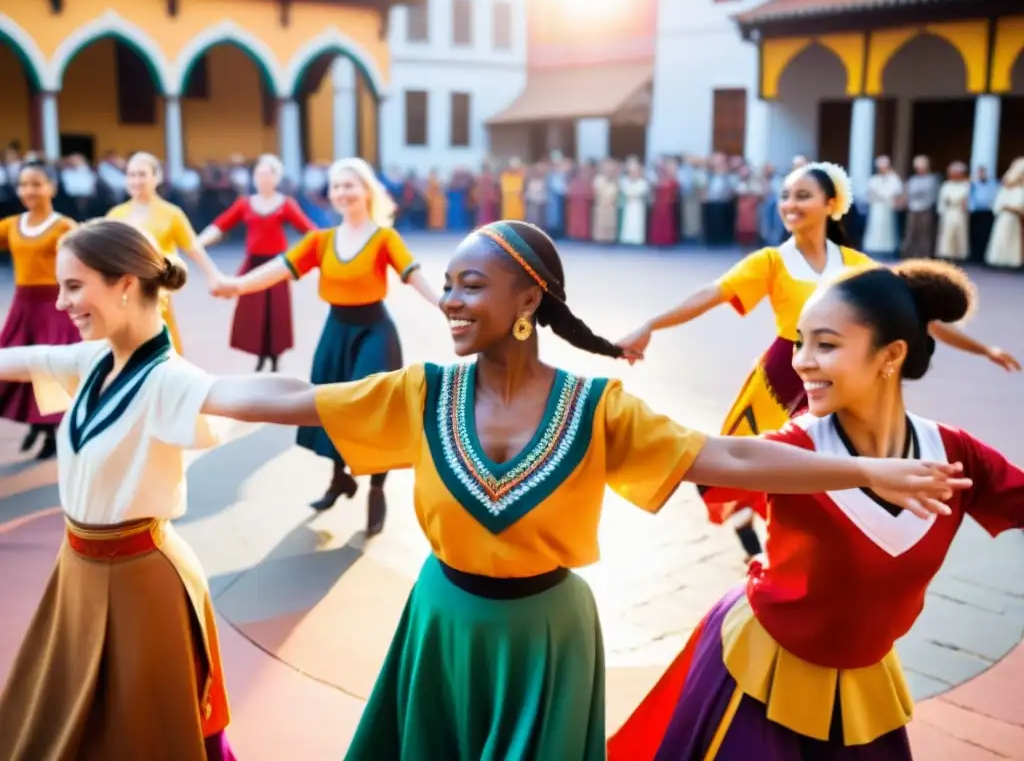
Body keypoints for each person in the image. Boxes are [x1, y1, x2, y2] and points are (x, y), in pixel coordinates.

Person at [199, 220, 965, 760]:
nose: (451, 301)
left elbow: (726, 457)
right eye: (450, 285)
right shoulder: (420, 392)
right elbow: (297, 398)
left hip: (548, 634)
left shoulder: (598, 409)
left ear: (528, 300)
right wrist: (182, 389)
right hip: (441, 620)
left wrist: (864, 470)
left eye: (472, 285)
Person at [608, 259, 1022, 760]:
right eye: (800, 341)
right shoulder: (798, 442)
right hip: (758, 674)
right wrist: (867, 473)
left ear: (890, 355)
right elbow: (729, 456)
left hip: (862, 691)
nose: (801, 360)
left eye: (825, 344)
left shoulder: (952, 453)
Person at [617, 162, 1020, 562]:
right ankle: (761, 545)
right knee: (753, 466)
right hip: (779, 378)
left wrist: (984, 350)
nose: (790, 204)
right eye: (786, 196)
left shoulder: (858, 268)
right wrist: (652, 324)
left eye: (803, 195)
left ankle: (819, 550)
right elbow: (711, 294)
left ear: (831, 204)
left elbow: (916, 312)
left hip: (840, 382)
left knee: (826, 471)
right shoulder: (771, 262)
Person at [0, 219, 258, 760]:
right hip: (78, 568)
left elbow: (248, 396)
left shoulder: (169, 379)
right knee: (64, 716)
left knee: (147, 729)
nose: (64, 302)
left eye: (74, 286)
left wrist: (346, 403)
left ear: (124, 284)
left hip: (145, 579)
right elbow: (16, 361)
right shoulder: (93, 360)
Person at [213, 157, 439, 533]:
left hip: (374, 332)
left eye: (349, 184)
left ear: (367, 190)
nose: (342, 192)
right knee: (334, 409)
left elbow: (412, 273)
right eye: (336, 186)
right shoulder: (321, 241)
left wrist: (445, 303)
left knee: (372, 410)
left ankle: (377, 489)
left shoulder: (384, 237)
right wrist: (235, 285)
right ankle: (340, 478)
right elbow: (276, 270)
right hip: (337, 331)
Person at [197, 153, 316, 372]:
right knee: (254, 312)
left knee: (276, 311)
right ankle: (260, 356)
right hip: (253, 263)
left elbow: (310, 232)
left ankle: (275, 357)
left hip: (277, 266)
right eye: (259, 173)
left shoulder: (286, 204)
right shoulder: (245, 203)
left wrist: (326, 247)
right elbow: (221, 225)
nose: (263, 178)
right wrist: (197, 243)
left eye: (268, 173)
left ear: (276, 177)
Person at [0, 159, 78, 459]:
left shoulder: (64, 227)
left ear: (52, 187)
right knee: (16, 365)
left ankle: (49, 433)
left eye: (36, 183)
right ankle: (39, 423)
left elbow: (83, 262)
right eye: (23, 184)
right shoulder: (10, 225)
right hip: (23, 306)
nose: (29, 190)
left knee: (50, 370)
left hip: (54, 306)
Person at [107, 152, 223, 353]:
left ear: (156, 177)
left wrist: (214, 276)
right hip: (123, 292)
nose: (136, 180)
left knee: (160, 343)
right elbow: (102, 251)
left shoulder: (172, 214)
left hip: (157, 290)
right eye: (131, 175)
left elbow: (193, 247)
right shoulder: (116, 214)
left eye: (142, 174)